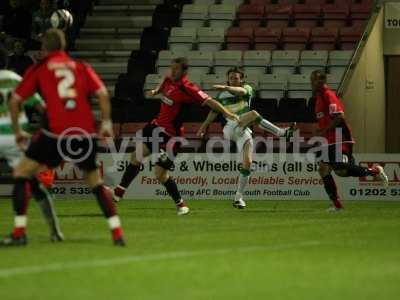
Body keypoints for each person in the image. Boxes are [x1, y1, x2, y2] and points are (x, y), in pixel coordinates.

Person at [1, 28, 125, 247]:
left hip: (55, 135)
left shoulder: (40, 67)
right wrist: (106, 123)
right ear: (63, 46)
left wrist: (19, 131)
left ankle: (19, 232)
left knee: (21, 173)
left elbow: (15, 101)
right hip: (84, 134)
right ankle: (117, 233)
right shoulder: (80, 67)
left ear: (44, 48)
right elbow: (103, 94)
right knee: (95, 183)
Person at [113, 57, 239, 215]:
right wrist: (155, 91)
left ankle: (181, 205)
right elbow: (163, 85)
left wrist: (227, 112)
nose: (172, 71)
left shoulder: (188, 88)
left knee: (160, 174)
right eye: (171, 68)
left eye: (176, 69)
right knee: (135, 156)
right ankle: (118, 193)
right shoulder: (168, 79)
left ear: (184, 71)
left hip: (172, 137)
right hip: (156, 128)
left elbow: (210, 102)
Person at [197, 67, 295, 208]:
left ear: (242, 79)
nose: (233, 80)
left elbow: (241, 92)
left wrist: (225, 87)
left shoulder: (247, 88)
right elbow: (213, 112)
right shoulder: (222, 95)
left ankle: (238, 198)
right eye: (231, 78)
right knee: (254, 114)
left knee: (247, 163)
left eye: (236, 78)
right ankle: (281, 133)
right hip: (229, 128)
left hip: (244, 129)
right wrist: (203, 127)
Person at [0, 47, 63, 242]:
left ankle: (20, 234)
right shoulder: (16, 80)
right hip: (15, 137)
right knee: (31, 184)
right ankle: (53, 231)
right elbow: (42, 108)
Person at [311, 70, 388, 211]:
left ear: (322, 81)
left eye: (314, 80)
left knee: (340, 167)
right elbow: (325, 119)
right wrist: (320, 130)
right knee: (326, 169)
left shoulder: (328, 95)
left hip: (340, 137)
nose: (312, 83)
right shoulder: (318, 98)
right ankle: (337, 205)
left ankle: (375, 171)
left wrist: (323, 130)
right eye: (312, 80)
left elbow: (339, 116)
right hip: (329, 140)